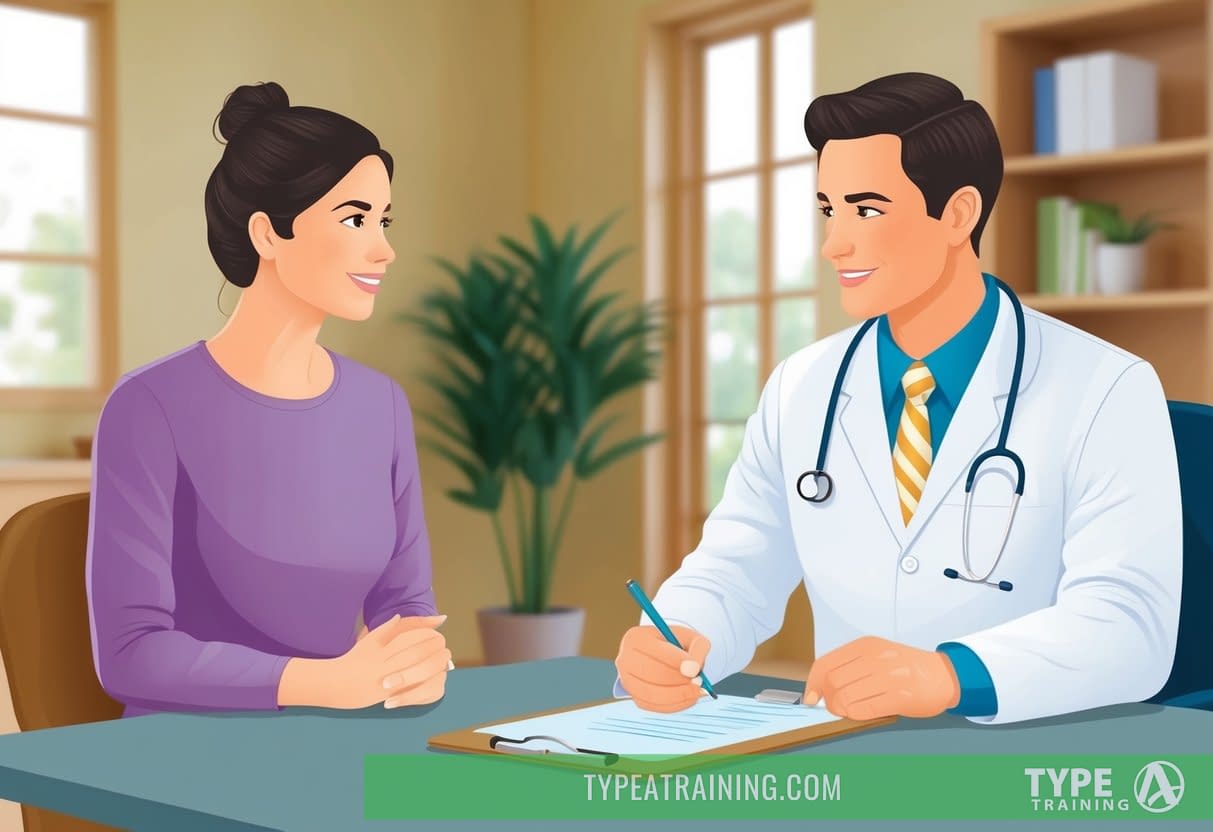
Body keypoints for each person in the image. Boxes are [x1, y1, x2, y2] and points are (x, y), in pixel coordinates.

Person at [614, 72, 1182, 725]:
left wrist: (947, 675)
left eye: (867, 210)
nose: (834, 244)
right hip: (845, 754)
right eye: (828, 210)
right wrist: (681, 636)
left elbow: (1128, 629)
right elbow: (735, 566)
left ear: (958, 214)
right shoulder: (801, 387)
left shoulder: (1104, 388)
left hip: (1032, 762)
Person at [87, 82, 451, 717]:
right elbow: (131, 652)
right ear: (268, 234)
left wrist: (418, 662)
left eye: (384, 220)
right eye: (355, 218)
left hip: (338, 744)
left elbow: (405, 607)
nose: (384, 248)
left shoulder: (381, 406)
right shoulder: (149, 406)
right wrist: (319, 685)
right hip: (186, 764)